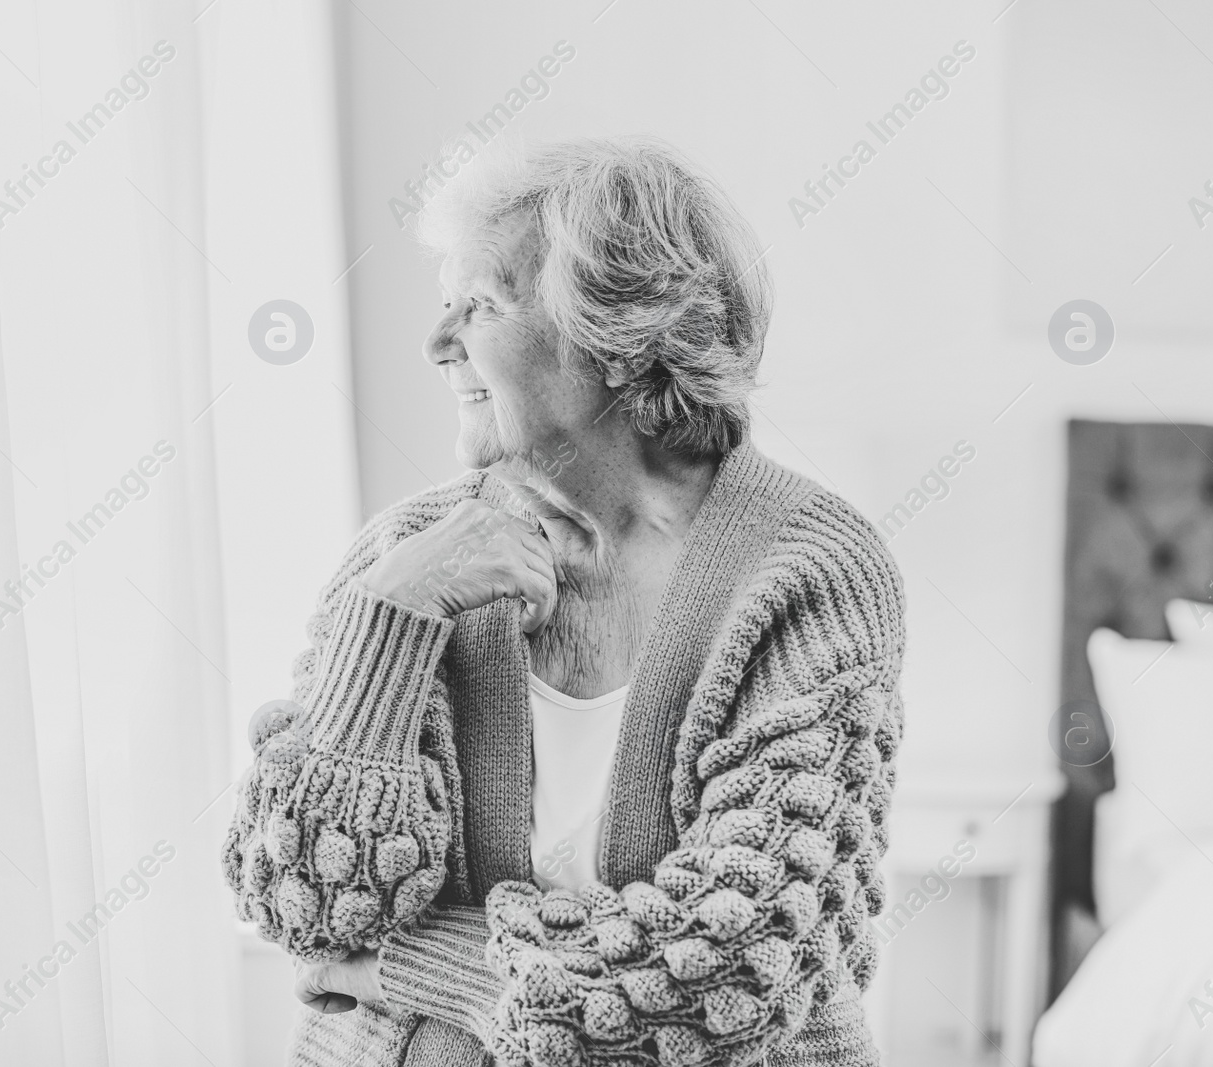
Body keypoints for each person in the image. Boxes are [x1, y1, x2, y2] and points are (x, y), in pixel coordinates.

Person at [224, 136, 906, 1067]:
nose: (436, 344)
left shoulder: (805, 569)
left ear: (620, 344)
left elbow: (737, 966)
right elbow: (299, 895)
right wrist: (388, 623)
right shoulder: (405, 558)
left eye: (484, 306)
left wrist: (418, 964)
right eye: (444, 305)